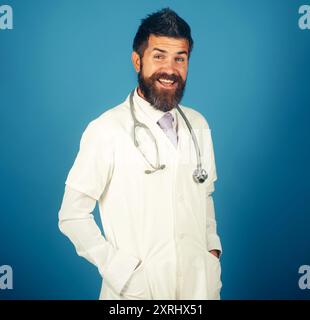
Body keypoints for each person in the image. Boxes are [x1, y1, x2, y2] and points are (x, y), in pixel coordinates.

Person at [58, 7, 222, 300]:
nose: (170, 69)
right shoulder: (106, 129)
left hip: (198, 289)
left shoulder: (198, 124)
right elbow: (72, 216)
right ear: (137, 60)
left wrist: (212, 250)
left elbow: (204, 194)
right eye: (159, 56)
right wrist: (120, 270)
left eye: (180, 59)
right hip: (137, 293)